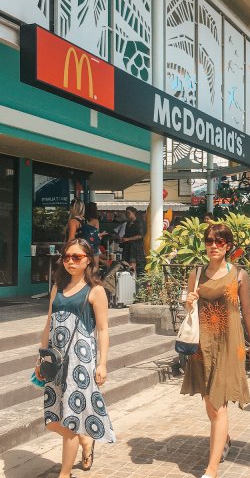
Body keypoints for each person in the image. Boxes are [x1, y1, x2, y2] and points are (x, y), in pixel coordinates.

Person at [181, 223, 250, 478]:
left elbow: (247, 311)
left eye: (220, 241)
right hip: (202, 345)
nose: (214, 246)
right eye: (210, 241)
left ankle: (211, 469)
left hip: (229, 345)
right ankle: (223, 439)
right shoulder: (196, 273)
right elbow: (188, 307)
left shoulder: (239, 275)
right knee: (209, 401)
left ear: (228, 246)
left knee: (218, 404)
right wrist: (188, 301)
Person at [35, 239, 115, 478]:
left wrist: (102, 363)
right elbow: (48, 324)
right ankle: (85, 440)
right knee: (52, 420)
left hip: (80, 363)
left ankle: (65, 473)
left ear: (88, 260)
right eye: (67, 256)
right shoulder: (57, 288)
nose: (70, 261)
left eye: (77, 257)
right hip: (56, 361)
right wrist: (41, 358)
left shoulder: (95, 291)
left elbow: (103, 329)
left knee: (70, 420)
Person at [121, 207, 146, 276]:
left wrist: (128, 239)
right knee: (126, 263)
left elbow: (140, 235)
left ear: (134, 213)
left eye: (128, 213)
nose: (127, 215)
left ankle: (133, 279)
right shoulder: (128, 223)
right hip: (127, 246)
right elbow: (126, 234)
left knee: (133, 263)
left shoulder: (139, 222)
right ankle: (128, 278)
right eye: (126, 213)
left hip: (136, 246)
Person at [84, 202, 107, 268]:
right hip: (93, 245)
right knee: (95, 266)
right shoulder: (95, 221)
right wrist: (102, 234)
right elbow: (95, 234)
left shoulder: (84, 220)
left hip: (84, 243)